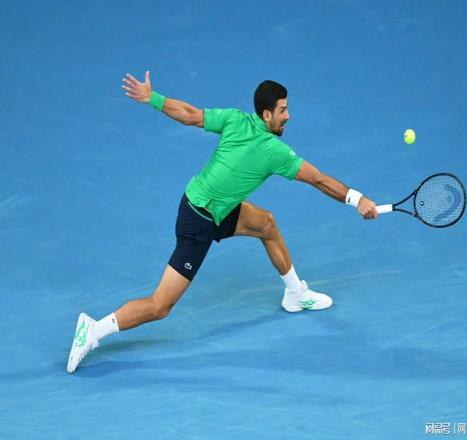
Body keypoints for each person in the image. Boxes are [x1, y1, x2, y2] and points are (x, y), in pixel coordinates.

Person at [66, 72, 378, 373]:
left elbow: (191, 115)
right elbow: (318, 180)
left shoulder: (235, 119)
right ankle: (93, 331)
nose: (289, 116)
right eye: (283, 110)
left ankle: (295, 293)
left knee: (266, 224)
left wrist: (152, 98)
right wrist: (358, 199)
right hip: (198, 221)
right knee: (160, 306)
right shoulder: (275, 152)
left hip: (215, 206)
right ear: (266, 114)